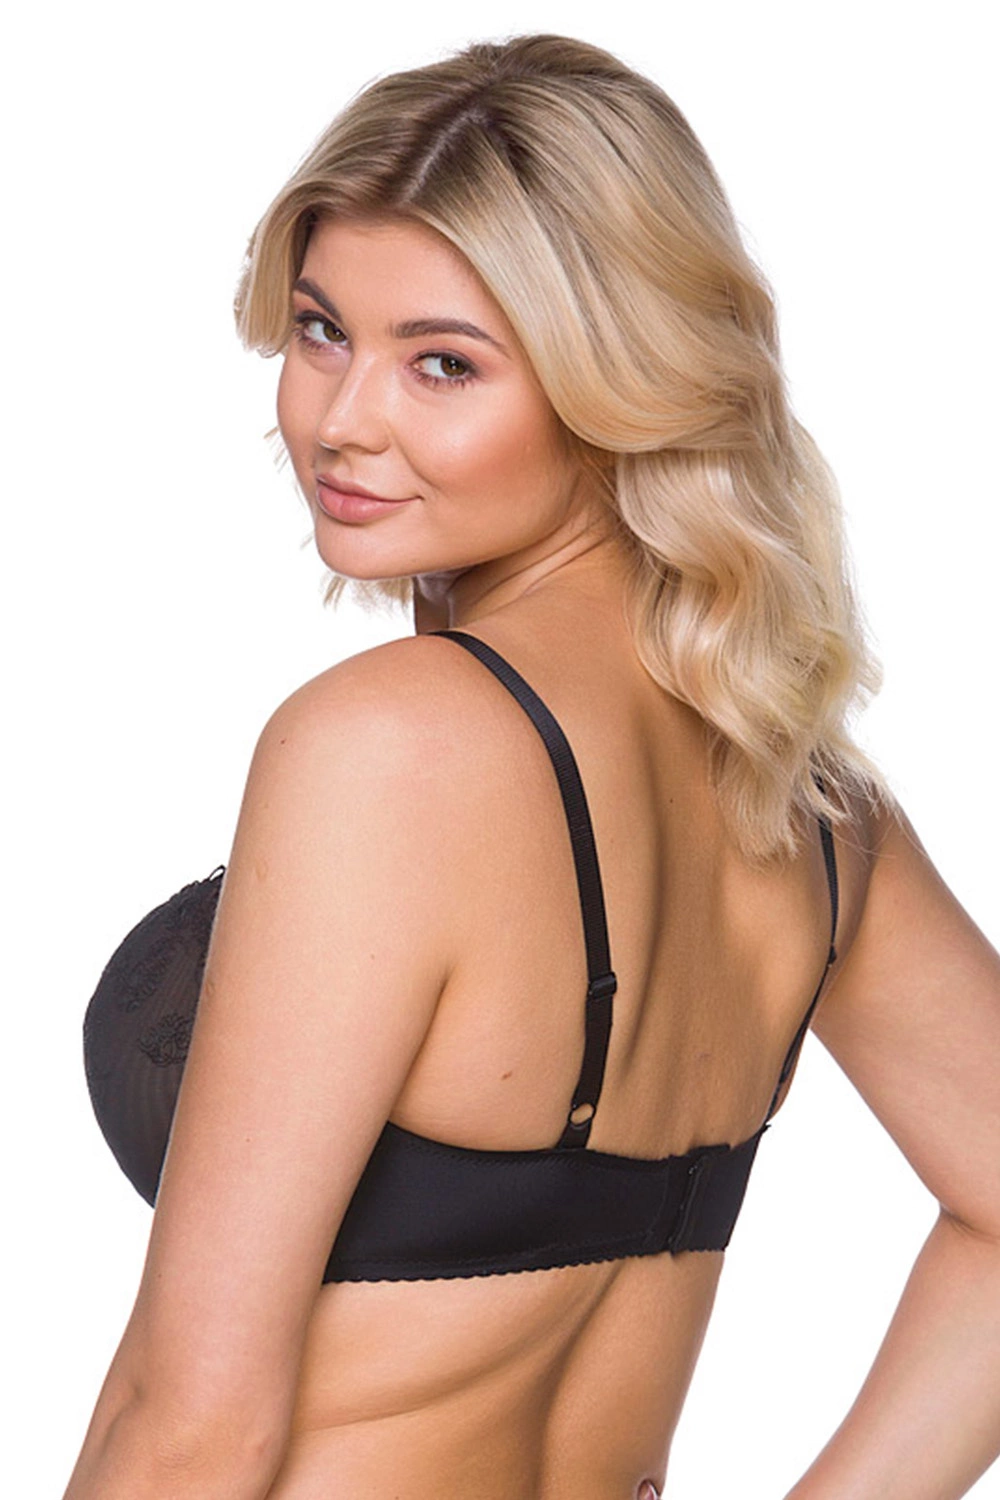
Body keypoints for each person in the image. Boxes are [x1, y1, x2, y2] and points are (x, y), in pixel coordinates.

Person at [63, 32, 1000, 1500]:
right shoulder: (813, 805)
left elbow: (191, 1421)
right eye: (321, 331)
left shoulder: (384, 745)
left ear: (617, 378)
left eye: (443, 363)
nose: (342, 420)